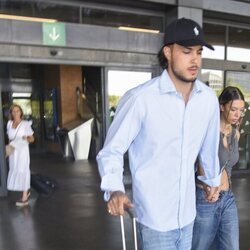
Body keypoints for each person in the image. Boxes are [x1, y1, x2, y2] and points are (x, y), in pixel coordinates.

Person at [96, 18, 221, 249]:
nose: (195, 59)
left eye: (199, 52)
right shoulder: (141, 99)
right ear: (168, 52)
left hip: (187, 215)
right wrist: (115, 188)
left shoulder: (208, 100)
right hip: (154, 219)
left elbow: (208, 146)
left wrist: (212, 179)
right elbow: (111, 151)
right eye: (186, 51)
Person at [192, 86, 245, 250]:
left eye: (241, 110)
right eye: (233, 109)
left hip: (227, 197)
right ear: (222, 106)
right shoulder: (208, 130)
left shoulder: (235, 134)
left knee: (231, 247)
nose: (237, 114)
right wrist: (209, 185)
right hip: (206, 197)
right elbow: (201, 160)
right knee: (199, 246)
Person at [6, 104, 34, 207]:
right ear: (11, 113)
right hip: (13, 152)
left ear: (21, 112)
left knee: (23, 170)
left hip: (22, 151)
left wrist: (25, 138)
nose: (16, 113)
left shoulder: (25, 124)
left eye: (17, 111)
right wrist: (8, 150)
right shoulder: (9, 124)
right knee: (15, 169)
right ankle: (24, 193)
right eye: (13, 111)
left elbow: (32, 139)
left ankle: (25, 196)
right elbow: (9, 139)